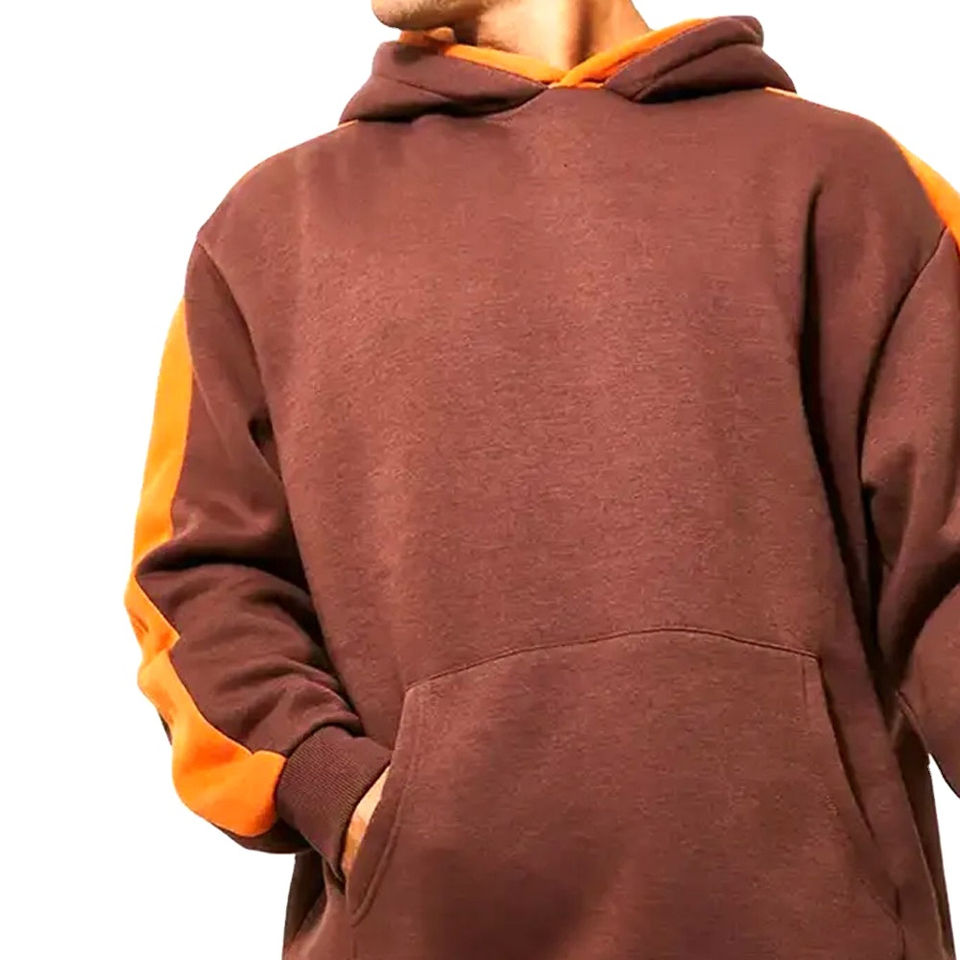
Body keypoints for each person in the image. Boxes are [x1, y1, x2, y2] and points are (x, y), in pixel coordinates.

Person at [121, 1, 960, 958]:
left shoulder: (851, 183)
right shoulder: (270, 228)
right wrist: (338, 791)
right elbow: (196, 586)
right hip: (427, 934)